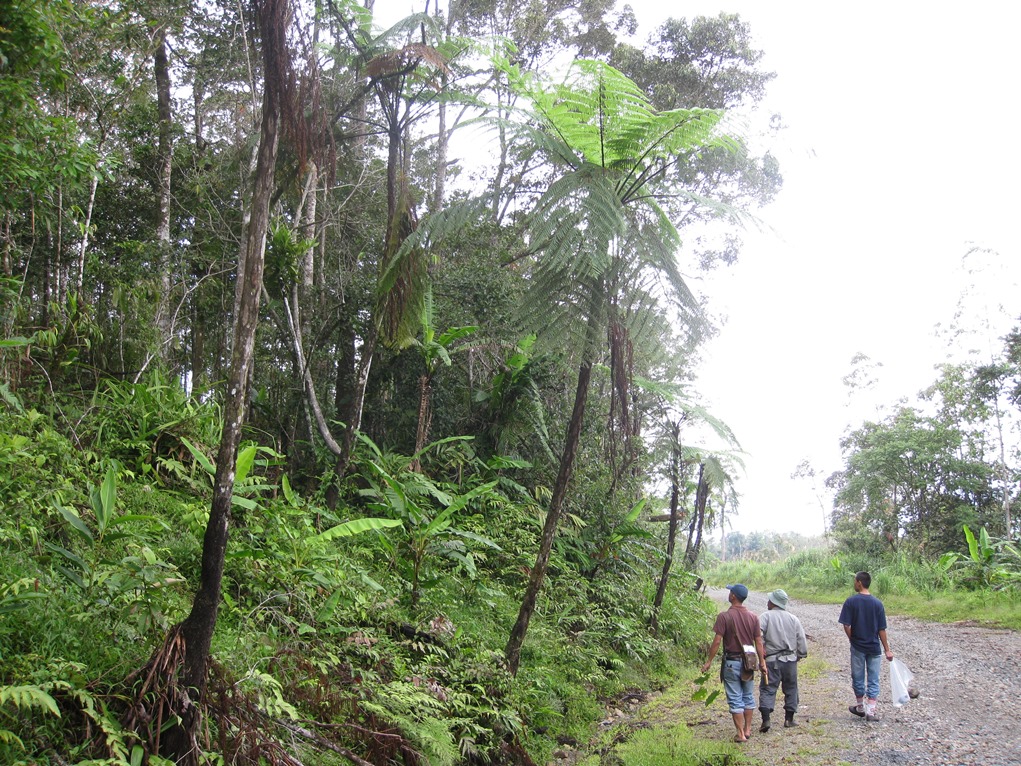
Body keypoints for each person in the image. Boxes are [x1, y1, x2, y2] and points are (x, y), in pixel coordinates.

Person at [701, 584, 768, 743]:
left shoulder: (724, 617)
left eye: (730, 592)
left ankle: (740, 734)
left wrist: (709, 661)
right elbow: (758, 642)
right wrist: (762, 662)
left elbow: (717, 641)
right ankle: (748, 729)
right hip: (749, 663)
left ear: (733, 596)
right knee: (748, 695)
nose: (729, 594)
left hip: (731, 662)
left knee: (735, 697)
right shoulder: (753, 617)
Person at [837, 571, 893, 722]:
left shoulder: (851, 602)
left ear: (859, 583)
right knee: (874, 678)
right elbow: (882, 629)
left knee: (858, 676)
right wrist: (887, 649)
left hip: (858, 647)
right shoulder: (878, 603)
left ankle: (860, 706)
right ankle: (871, 711)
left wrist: (852, 639)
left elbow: (846, 625)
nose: (854, 583)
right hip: (874, 647)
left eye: (855, 581)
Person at [757, 588, 808, 732]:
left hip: (772, 660)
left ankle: (766, 720)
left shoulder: (765, 617)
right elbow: (801, 640)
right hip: (790, 660)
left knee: (768, 688)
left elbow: (757, 636)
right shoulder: (793, 619)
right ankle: (789, 719)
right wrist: (801, 654)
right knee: (791, 688)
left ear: (773, 602)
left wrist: (761, 652)